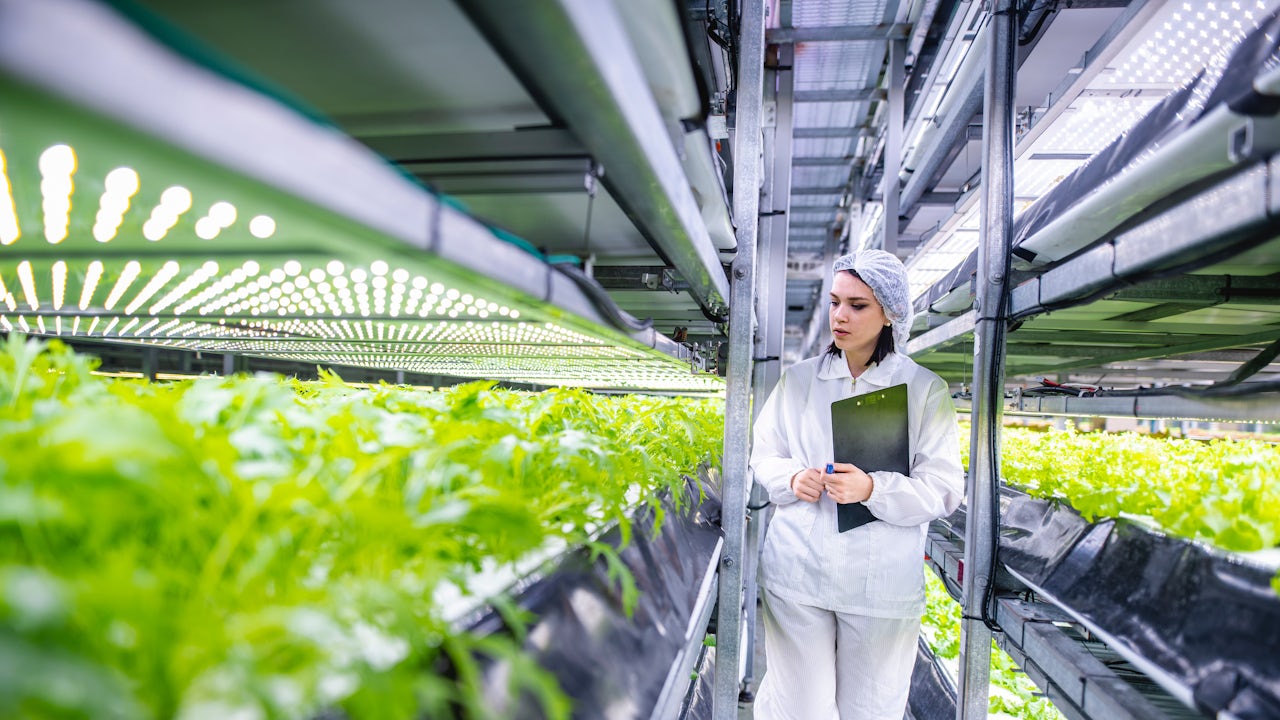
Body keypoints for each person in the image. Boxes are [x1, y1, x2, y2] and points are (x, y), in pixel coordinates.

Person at [748, 249, 964, 720]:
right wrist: (791, 477)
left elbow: (944, 488)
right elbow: (763, 453)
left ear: (890, 313)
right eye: (834, 302)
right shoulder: (799, 381)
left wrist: (873, 489)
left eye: (858, 305)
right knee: (797, 708)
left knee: (870, 711)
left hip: (879, 587)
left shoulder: (924, 391)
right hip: (798, 575)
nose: (840, 316)